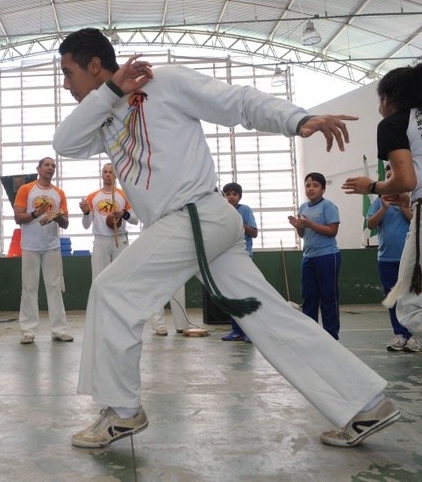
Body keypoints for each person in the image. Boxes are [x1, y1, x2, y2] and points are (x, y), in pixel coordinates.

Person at [53, 27, 397, 449]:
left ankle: (121, 412)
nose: (65, 84)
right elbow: (64, 144)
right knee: (268, 316)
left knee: (111, 291)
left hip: (195, 216)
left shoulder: (165, 82)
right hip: (194, 228)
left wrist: (297, 119)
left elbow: (237, 102)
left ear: (93, 65)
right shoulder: (102, 115)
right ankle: (366, 404)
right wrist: (108, 93)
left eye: (68, 73)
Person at [342, 62, 422, 343]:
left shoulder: (394, 124)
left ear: (387, 99)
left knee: (409, 305)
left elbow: (406, 181)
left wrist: (373, 186)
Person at [14, 157, 73, 344]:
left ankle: (59, 330)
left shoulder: (59, 193)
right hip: (30, 246)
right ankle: (28, 331)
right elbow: (18, 217)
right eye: (47, 165)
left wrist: (58, 218)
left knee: (54, 288)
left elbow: (66, 222)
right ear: (38, 169)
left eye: (53, 166)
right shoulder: (26, 189)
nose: (50, 168)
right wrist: (35, 214)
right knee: (29, 288)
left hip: (51, 247)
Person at [364, 165, 416, 351]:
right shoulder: (379, 202)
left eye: (394, 176)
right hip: (386, 258)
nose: (390, 179)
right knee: (393, 298)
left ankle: (414, 335)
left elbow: (414, 220)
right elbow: (370, 224)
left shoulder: (410, 199)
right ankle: (400, 334)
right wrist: (384, 208)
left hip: (409, 259)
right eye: (387, 176)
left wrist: (403, 205)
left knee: (410, 297)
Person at [288, 172, 341, 340]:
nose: (311, 189)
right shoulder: (303, 207)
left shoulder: (328, 206)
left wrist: (311, 223)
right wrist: (298, 226)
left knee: (328, 296)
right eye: (308, 185)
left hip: (327, 256)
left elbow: (332, 232)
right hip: (308, 257)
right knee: (309, 297)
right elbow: (303, 235)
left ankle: (331, 335)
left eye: (315, 185)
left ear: (323, 189)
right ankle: (310, 334)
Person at [80, 162, 138, 280]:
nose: (108, 174)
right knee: (99, 278)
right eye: (105, 172)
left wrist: (124, 214)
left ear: (116, 175)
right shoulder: (92, 197)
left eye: (111, 172)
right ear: (101, 175)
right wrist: (86, 213)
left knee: (121, 278)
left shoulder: (124, 195)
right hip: (100, 241)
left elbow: (135, 220)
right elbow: (86, 225)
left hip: (120, 240)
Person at [221, 182, 258, 343]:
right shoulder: (220, 212)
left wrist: (239, 223)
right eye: (228, 194)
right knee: (231, 296)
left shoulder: (245, 210)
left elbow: (254, 233)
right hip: (226, 259)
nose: (231, 197)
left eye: (234, 194)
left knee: (244, 295)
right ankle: (236, 331)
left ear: (239, 196)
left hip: (243, 257)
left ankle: (250, 331)